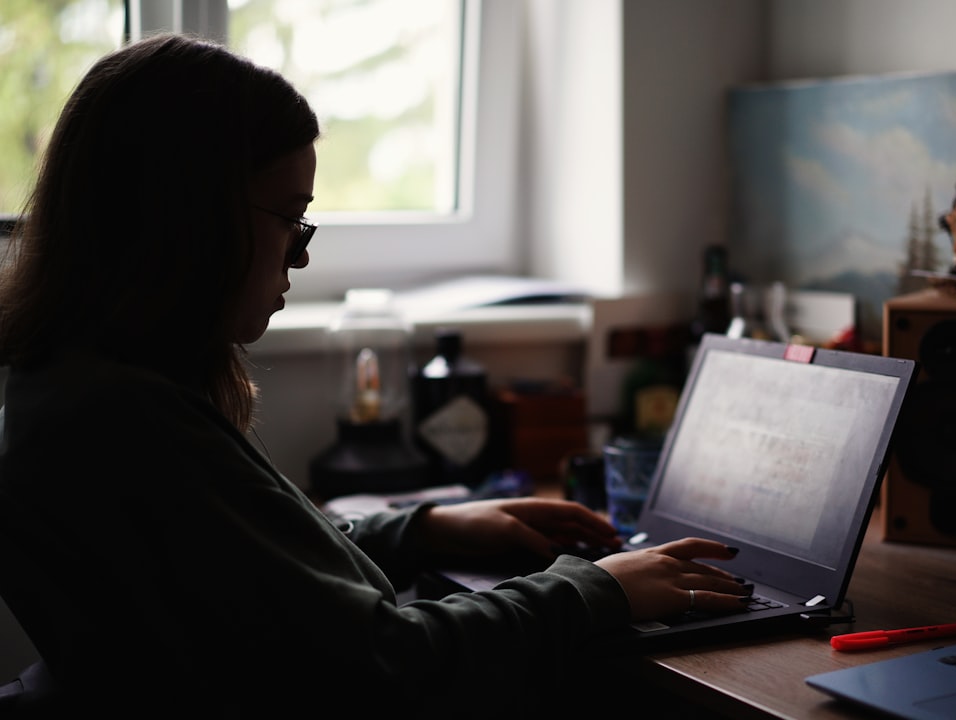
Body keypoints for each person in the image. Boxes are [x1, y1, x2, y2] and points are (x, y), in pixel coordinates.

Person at [0, 34, 751, 713]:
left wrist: (422, 530)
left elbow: (246, 573)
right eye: (292, 223)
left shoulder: (78, 381)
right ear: (194, 218)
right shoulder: (124, 421)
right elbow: (382, 659)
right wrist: (598, 588)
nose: (300, 258)